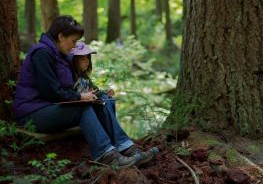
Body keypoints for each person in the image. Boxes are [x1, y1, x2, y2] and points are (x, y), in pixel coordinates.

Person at [12, 16, 157, 168]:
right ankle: (107, 156)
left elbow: (75, 81)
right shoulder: (42, 53)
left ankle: (126, 148)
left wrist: (94, 93)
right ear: (61, 36)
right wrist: (80, 96)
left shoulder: (60, 54)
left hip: (51, 108)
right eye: (73, 41)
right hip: (32, 113)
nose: (75, 45)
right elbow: (51, 92)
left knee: (102, 99)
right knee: (82, 107)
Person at [71, 41, 158, 166]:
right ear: (74, 60)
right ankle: (118, 150)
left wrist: (105, 92)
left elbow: (95, 90)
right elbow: (70, 94)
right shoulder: (70, 75)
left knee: (107, 99)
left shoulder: (84, 76)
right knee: (104, 101)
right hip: (81, 110)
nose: (87, 61)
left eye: (88, 58)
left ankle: (126, 147)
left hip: (91, 106)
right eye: (82, 59)